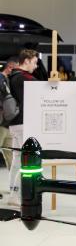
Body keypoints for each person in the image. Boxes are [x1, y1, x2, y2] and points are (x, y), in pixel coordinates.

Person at [8, 49, 38, 206]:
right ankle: (15, 194)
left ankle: (13, 192)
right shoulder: (24, 78)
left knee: (17, 160)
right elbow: (44, 89)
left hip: (14, 123)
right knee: (25, 161)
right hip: (23, 123)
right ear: (26, 61)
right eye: (34, 62)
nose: (36, 65)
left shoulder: (13, 76)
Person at [0, 57, 19, 197]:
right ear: (10, 68)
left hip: (7, 124)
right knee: (10, 156)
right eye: (15, 69)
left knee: (11, 157)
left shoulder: (8, 81)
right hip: (2, 124)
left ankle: (14, 187)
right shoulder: (1, 79)